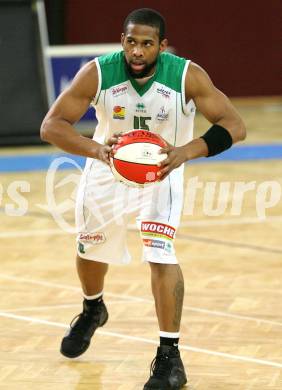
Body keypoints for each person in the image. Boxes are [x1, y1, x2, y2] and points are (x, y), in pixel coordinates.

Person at [41, 8, 246, 390]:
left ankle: (170, 357)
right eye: (131, 42)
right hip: (105, 169)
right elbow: (51, 125)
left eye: (146, 44)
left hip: (161, 174)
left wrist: (187, 150)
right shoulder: (99, 72)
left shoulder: (186, 75)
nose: (137, 51)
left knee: (160, 253)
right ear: (123, 41)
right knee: (90, 250)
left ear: (161, 46)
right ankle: (93, 307)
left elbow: (235, 125)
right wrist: (96, 149)